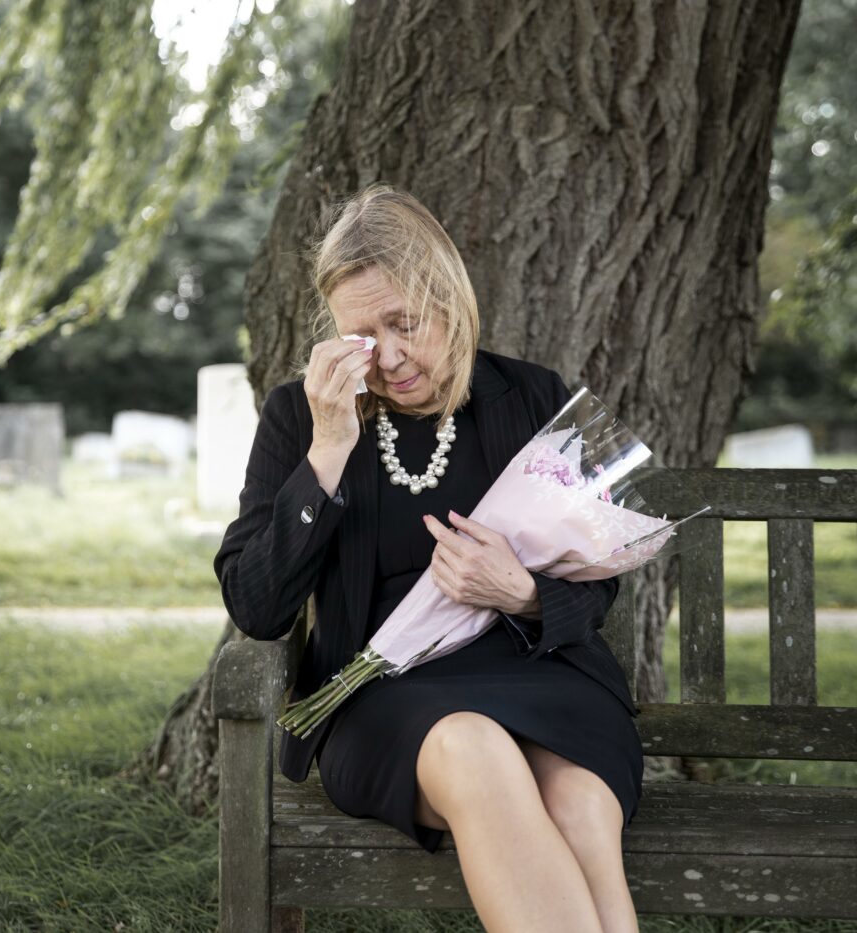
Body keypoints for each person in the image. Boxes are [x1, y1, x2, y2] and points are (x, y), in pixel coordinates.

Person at [213, 183, 644, 932]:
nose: (389, 355)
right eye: (363, 336)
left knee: (578, 801)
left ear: (448, 296)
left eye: (403, 322)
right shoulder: (302, 417)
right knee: (474, 748)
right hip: (387, 698)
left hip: (542, 678)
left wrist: (524, 593)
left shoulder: (530, 397)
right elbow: (257, 606)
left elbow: (596, 589)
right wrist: (328, 451)